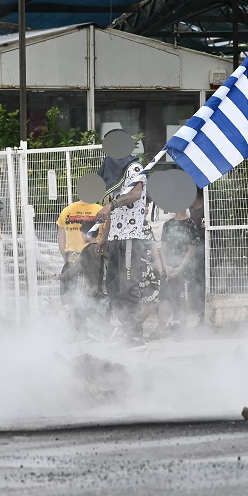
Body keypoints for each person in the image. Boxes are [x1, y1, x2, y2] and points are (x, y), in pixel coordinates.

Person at [95, 149, 149, 350]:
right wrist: (103, 237)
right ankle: (128, 330)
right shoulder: (115, 178)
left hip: (130, 238)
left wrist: (112, 205)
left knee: (128, 287)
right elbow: (111, 212)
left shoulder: (135, 168)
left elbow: (135, 194)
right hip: (115, 239)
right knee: (112, 287)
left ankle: (136, 336)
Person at [58, 220, 110, 341]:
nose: (81, 236)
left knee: (83, 308)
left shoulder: (87, 250)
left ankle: (99, 332)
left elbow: (78, 267)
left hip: (90, 287)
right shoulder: (101, 248)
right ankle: (104, 332)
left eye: (82, 234)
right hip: (101, 285)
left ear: (89, 234)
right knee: (94, 309)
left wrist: (62, 276)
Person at [57, 198, 101, 307]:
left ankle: (72, 322)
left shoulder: (66, 211)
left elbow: (61, 239)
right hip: (94, 260)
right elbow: (107, 237)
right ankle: (99, 322)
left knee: (69, 300)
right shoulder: (101, 211)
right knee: (93, 298)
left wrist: (66, 258)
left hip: (72, 257)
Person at [160, 209, 198, 331]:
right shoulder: (167, 224)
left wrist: (180, 269)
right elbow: (163, 248)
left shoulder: (191, 224)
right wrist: (165, 266)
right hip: (169, 269)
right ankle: (162, 328)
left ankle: (181, 328)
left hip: (185, 270)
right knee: (165, 298)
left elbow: (191, 250)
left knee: (183, 298)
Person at [187, 189, 206, 328]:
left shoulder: (205, 211)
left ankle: (203, 315)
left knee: (202, 283)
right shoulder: (192, 212)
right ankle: (200, 314)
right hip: (195, 252)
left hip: (203, 252)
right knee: (197, 282)